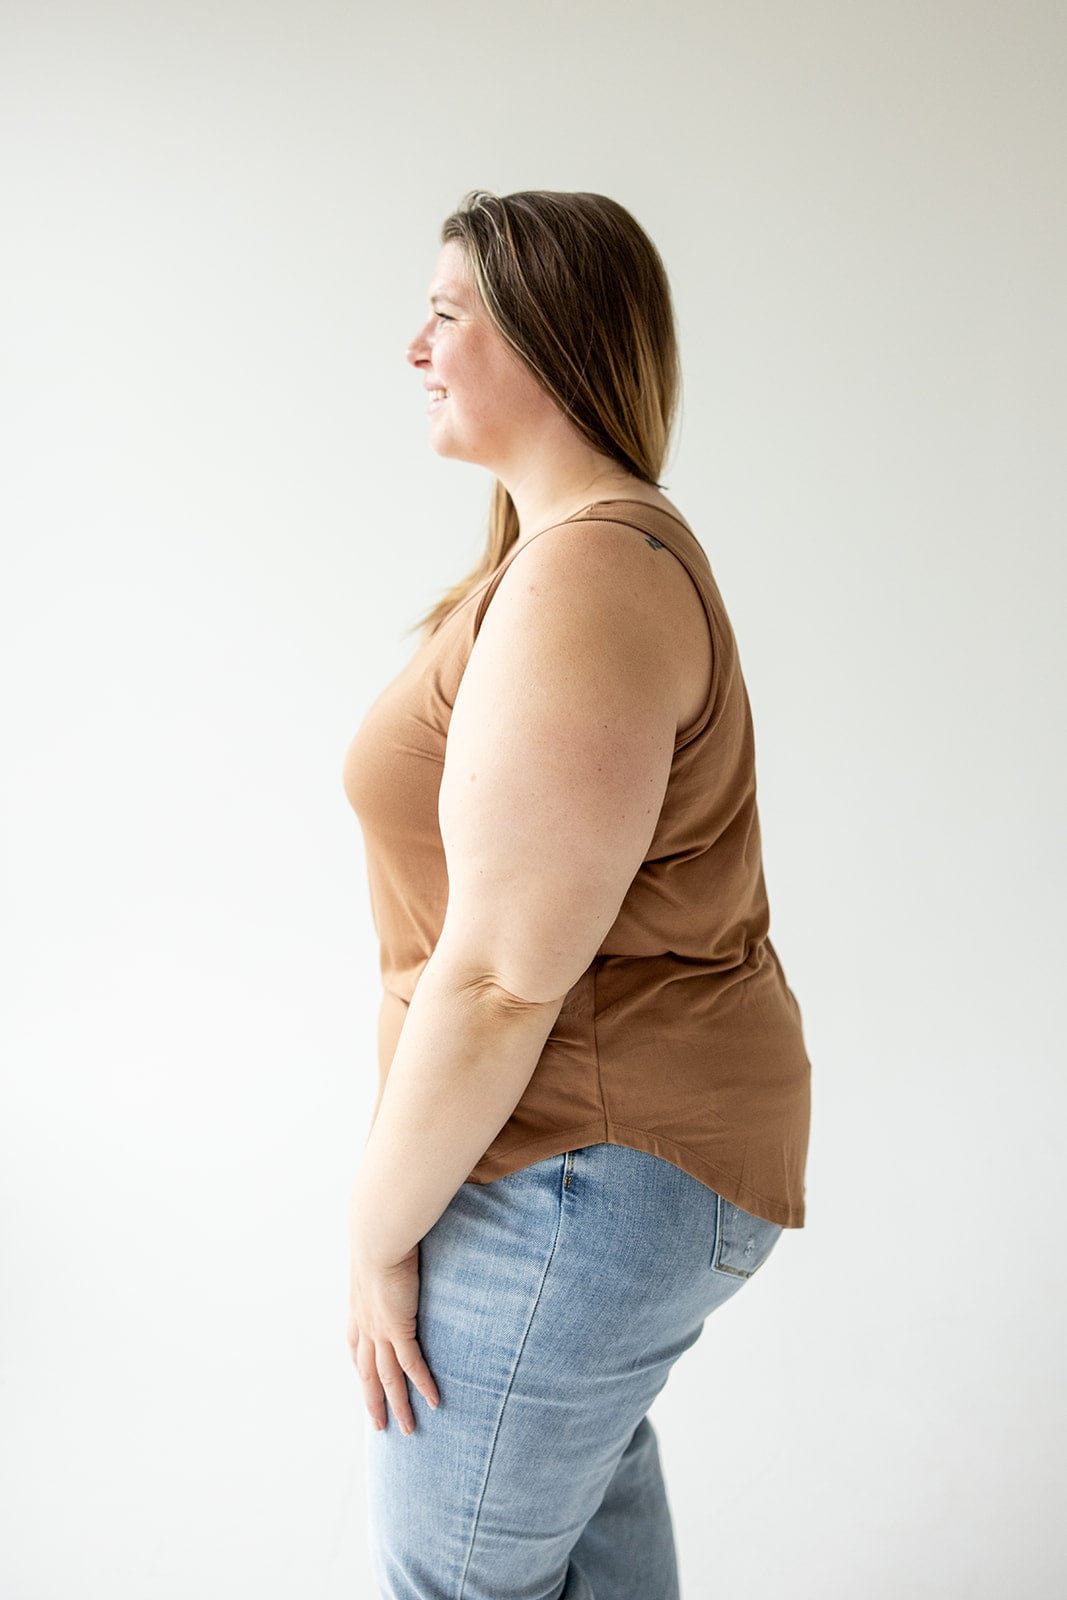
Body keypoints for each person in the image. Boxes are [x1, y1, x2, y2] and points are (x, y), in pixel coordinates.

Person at [341, 188, 812, 1600]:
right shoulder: (570, 560)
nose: (411, 345)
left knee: (458, 1579)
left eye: (444, 311)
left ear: (545, 338)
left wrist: (371, 1232)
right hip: (591, 1159)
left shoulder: (591, 573)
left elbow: (501, 977)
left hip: (579, 1165)